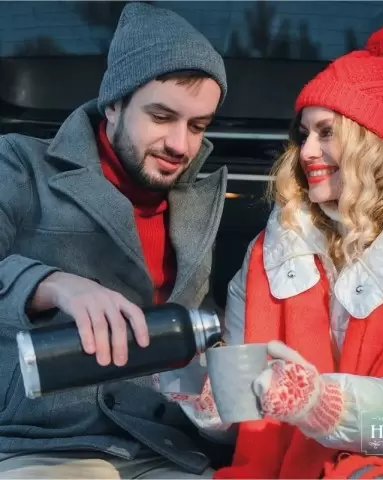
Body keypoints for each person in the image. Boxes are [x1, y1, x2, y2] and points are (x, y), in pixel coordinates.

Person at [162, 22, 383, 479]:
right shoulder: (270, 255)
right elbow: (247, 420)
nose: (306, 150)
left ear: (372, 143)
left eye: (326, 132)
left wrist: (325, 404)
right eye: (304, 133)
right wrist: (208, 399)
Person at [0, 2, 228, 479]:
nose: (181, 145)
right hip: (40, 442)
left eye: (198, 126)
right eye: (161, 116)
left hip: (162, 446)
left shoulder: (200, 201)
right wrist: (52, 284)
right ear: (114, 104)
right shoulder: (21, 165)